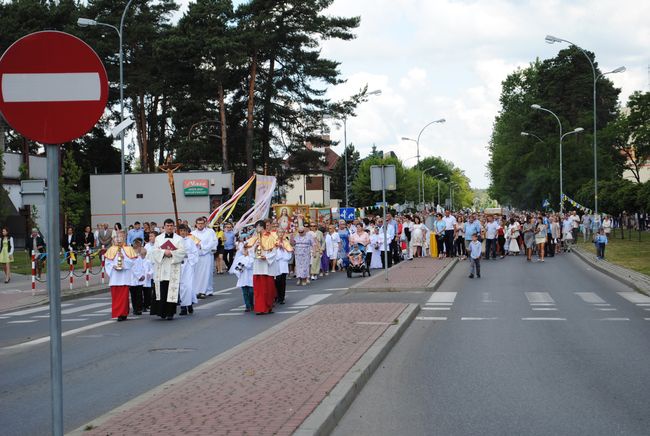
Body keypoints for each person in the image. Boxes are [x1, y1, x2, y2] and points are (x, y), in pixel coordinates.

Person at [147, 218, 186, 320]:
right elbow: (154, 251)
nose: (169, 227)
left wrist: (172, 253)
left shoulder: (179, 239)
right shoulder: (158, 238)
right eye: (167, 226)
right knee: (162, 290)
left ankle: (170, 313)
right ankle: (161, 312)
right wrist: (164, 252)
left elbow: (182, 252)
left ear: (174, 227)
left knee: (171, 291)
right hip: (161, 267)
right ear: (164, 227)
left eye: (171, 226)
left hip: (173, 267)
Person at [246, 219, 279, 314]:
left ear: (263, 227)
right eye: (256, 228)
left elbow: (274, 251)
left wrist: (267, 257)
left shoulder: (271, 238)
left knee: (268, 289)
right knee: (259, 290)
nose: (257, 229)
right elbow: (249, 251)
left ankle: (268, 307)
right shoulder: (254, 239)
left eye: (259, 227)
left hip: (267, 267)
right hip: (258, 266)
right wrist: (254, 248)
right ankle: (260, 308)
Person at [104, 231, 138, 321]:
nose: (119, 240)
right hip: (115, 276)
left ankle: (123, 313)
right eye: (117, 237)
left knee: (124, 296)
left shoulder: (128, 249)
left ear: (124, 238)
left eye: (121, 237)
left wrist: (124, 259)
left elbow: (133, 262)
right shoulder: (111, 249)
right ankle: (118, 313)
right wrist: (113, 266)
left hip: (124, 276)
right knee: (116, 296)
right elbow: (107, 263)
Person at [191, 217, 217, 299]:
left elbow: (213, 242)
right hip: (197, 256)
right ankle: (197, 291)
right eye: (198, 223)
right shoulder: (192, 234)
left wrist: (202, 246)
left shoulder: (210, 232)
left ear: (205, 223)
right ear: (196, 224)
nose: (200, 225)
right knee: (197, 274)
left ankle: (205, 291)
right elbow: (190, 245)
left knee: (206, 273)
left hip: (207, 255)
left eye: (202, 223)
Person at [178, 224, 199, 316]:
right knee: (180, 287)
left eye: (184, 231)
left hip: (188, 265)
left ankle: (188, 304)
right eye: (181, 231)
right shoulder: (176, 241)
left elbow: (195, 253)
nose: (182, 232)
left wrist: (187, 256)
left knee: (188, 286)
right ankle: (183, 307)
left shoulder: (190, 241)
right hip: (178, 265)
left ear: (187, 232)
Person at [230, 240, 254, 312]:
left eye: (247, 249)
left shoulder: (252, 258)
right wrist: (241, 267)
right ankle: (247, 306)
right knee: (244, 292)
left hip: (250, 277)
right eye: (244, 249)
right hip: (243, 277)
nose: (245, 250)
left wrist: (243, 265)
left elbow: (250, 266)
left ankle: (251, 304)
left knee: (251, 291)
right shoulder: (240, 258)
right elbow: (237, 267)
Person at [274, 230, 293, 305]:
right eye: (279, 232)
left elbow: (289, 255)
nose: (281, 234)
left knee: (282, 282)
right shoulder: (274, 242)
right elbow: (273, 253)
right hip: (276, 264)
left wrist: (283, 250)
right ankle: (276, 296)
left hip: (283, 264)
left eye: (282, 232)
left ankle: (281, 298)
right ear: (277, 234)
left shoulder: (286, 242)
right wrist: (278, 249)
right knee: (276, 281)